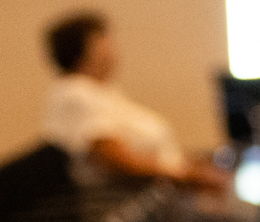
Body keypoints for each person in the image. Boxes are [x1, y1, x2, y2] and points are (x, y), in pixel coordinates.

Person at [40, 12, 230, 192]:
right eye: (102, 40)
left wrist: (193, 165)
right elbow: (117, 160)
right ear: (85, 51)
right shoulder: (76, 93)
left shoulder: (99, 91)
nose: (112, 50)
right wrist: (187, 176)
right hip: (131, 205)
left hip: (157, 194)